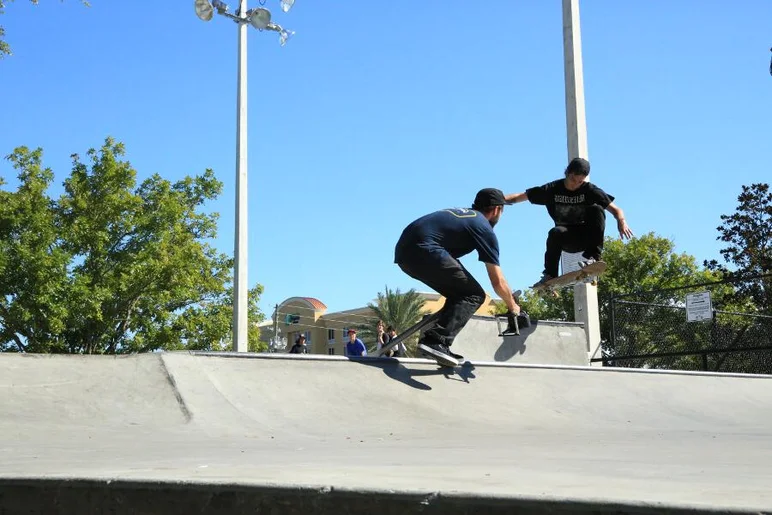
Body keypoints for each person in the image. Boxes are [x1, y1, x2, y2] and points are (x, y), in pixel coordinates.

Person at [393, 188, 522, 367]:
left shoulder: (465, 216)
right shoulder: (483, 228)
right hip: (426, 250)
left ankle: (435, 338)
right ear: (496, 210)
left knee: (459, 295)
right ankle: (436, 341)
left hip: (404, 254)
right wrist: (513, 306)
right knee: (474, 295)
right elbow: (498, 282)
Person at [504, 157, 633, 286]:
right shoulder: (552, 189)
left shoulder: (590, 190)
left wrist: (621, 221)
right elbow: (521, 197)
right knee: (555, 232)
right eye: (573, 179)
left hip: (588, 237)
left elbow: (616, 209)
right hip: (568, 238)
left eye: (580, 182)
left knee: (597, 209)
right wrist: (496, 200)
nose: (575, 184)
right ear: (567, 173)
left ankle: (593, 258)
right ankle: (550, 274)